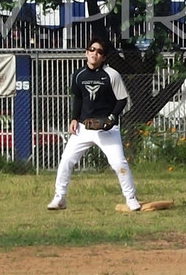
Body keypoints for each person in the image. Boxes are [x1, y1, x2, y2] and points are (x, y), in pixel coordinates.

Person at [47, 39, 141, 211]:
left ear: (103, 57)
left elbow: (122, 99)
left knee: (119, 163)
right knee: (66, 160)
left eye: (99, 51)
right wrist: (74, 118)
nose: (94, 53)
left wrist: (111, 118)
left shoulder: (111, 75)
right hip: (84, 128)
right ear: (86, 52)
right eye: (92, 49)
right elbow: (78, 98)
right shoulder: (78, 75)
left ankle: (131, 198)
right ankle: (59, 198)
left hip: (107, 129)